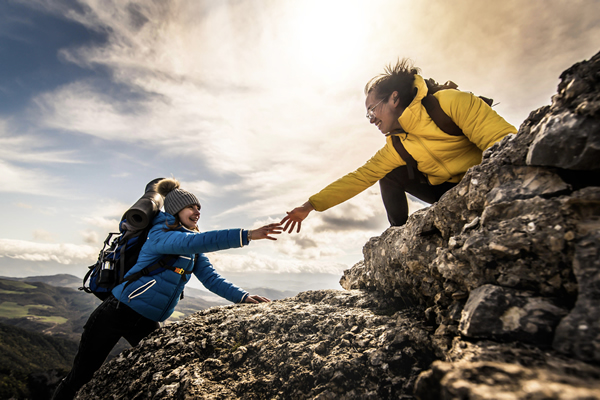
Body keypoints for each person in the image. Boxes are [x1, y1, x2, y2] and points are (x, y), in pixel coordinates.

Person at [52, 178, 282, 400]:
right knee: (80, 377)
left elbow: (210, 278)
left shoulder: (191, 240)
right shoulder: (160, 234)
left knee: (161, 372)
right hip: (116, 312)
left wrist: (242, 297)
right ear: (175, 210)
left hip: (145, 320)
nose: (197, 211)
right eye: (191, 206)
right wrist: (247, 235)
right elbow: (192, 243)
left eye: (199, 207)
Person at [281, 59, 517, 231]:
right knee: (388, 174)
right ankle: (400, 234)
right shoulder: (397, 144)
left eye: (372, 110)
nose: (371, 119)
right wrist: (310, 205)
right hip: (444, 192)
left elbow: (503, 143)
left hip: (482, 180)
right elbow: (360, 177)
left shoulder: (450, 104)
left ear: (394, 98)